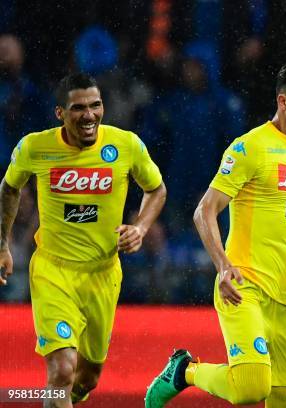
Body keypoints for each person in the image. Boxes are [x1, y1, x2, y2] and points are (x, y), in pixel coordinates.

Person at [145, 58, 286, 408]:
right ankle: (185, 371)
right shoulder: (249, 147)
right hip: (245, 286)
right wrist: (222, 266)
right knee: (251, 386)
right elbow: (204, 211)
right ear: (283, 101)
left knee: (283, 397)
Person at [0, 73, 166, 407]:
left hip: (103, 275)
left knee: (86, 378)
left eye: (95, 105)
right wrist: (3, 243)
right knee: (62, 371)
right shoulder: (35, 147)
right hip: (53, 271)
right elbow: (9, 187)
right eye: (78, 107)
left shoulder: (125, 145)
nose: (89, 115)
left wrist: (140, 228)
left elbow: (156, 189)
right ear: (60, 113)